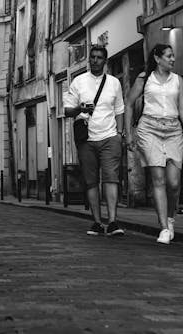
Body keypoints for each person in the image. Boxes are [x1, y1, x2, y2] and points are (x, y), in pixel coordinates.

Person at [124, 44, 183, 244]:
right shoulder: (144, 78)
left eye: (173, 56)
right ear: (157, 58)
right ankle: (164, 228)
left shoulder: (178, 80)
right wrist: (128, 133)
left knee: (174, 183)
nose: (173, 59)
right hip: (149, 129)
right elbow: (129, 103)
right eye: (169, 56)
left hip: (173, 130)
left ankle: (170, 218)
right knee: (158, 179)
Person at [63, 44, 125, 237]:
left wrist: (120, 134)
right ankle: (97, 222)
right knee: (91, 182)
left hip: (109, 137)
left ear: (105, 61)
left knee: (110, 178)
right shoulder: (78, 82)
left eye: (99, 57)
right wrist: (81, 109)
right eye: (92, 57)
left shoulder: (114, 82)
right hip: (86, 139)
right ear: (89, 59)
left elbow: (120, 110)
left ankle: (113, 221)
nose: (95, 60)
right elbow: (67, 110)